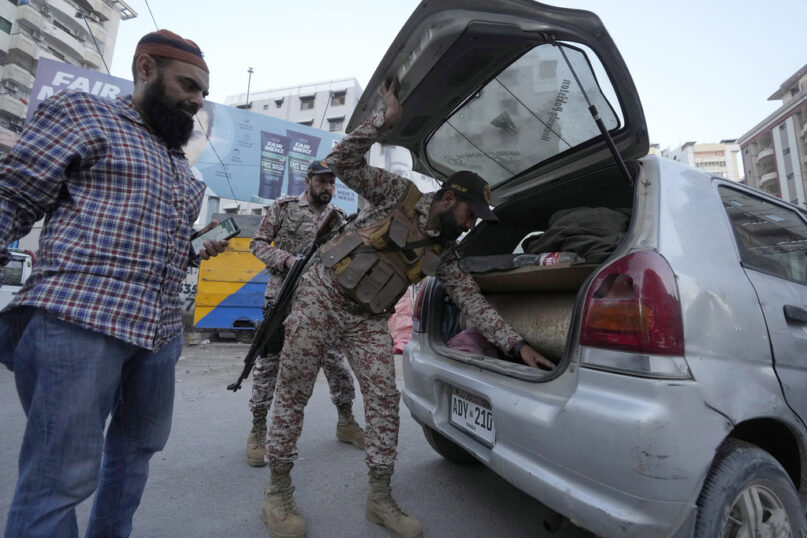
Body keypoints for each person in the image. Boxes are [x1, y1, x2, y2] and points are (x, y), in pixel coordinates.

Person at [260, 80, 554, 538]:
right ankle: (278, 492)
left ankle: (380, 498)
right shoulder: (398, 193)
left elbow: (471, 301)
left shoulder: (446, 253)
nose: (472, 223)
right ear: (450, 199)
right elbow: (341, 162)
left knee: (383, 400)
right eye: (470, 214)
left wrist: (515, 345)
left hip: (367, 320)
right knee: (294, 391)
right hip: (322, 294)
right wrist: (384, 120)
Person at [0, 30, 227, 538]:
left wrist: (192, 246)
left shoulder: (176, 163)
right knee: (59, 480)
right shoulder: (84, 113)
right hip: (81, 318)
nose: (196, 100)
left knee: (136, 453)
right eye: (188, 84)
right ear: (145, 69)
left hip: (160, 330)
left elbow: (144, 242)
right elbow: (12, 196)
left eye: (202, 93)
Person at [246, 160, 365, 467]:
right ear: (309, 180)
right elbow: (257, 244)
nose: (328, 187)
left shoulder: (338, 217)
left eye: (332, 182)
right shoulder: (284, 207)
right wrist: (287, 260)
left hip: (322, 301)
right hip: (281, 297)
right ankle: (259, 428)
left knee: (335, 362)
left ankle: (346, 420)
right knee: (269, 362)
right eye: (322, 181)